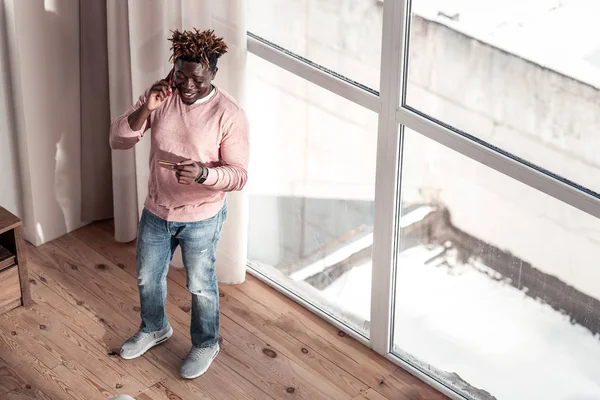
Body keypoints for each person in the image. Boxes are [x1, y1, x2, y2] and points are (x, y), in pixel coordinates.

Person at [109, 28, 249, 379]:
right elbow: (118, 140)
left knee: (200, 284)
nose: (186, 85)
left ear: (213, 75)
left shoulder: (228, 114)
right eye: (180, 74)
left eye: (197, 79)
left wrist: (203, 174)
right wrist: (146, 108)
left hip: (202, 217)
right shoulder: (160, 94)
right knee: (146, 277)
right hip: (157, 209)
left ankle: (206, 342)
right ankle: (154, 327)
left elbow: (239, 175)